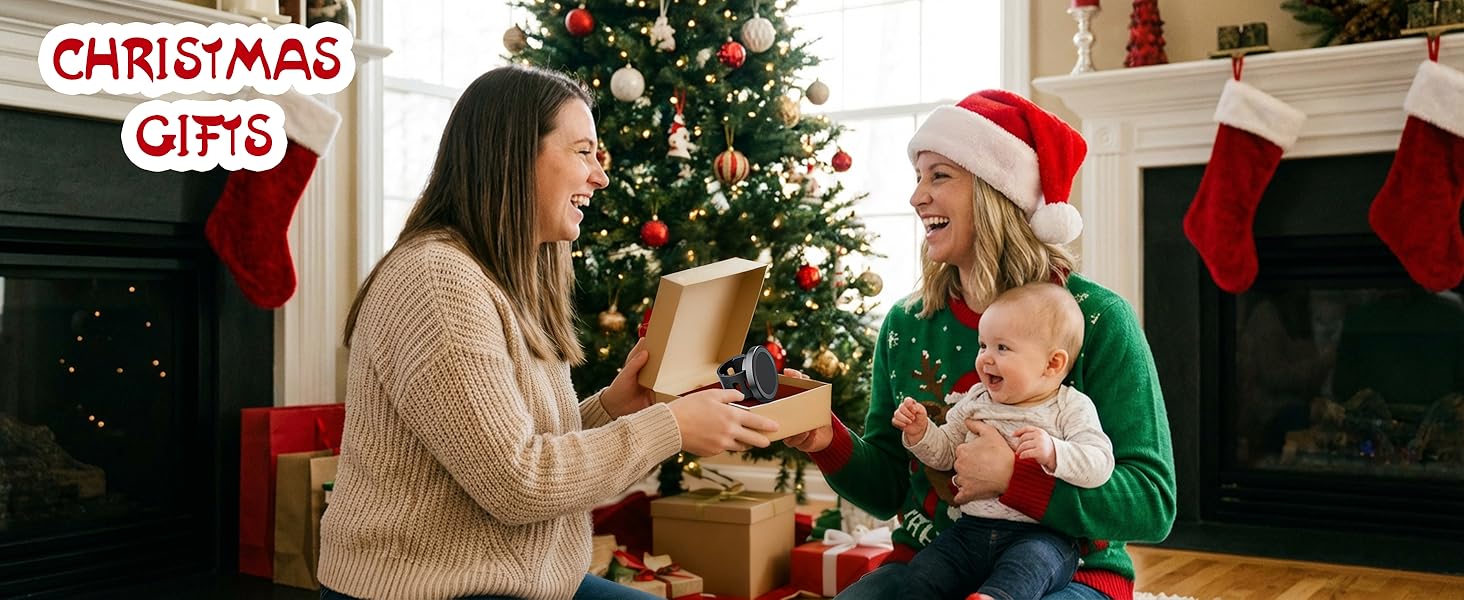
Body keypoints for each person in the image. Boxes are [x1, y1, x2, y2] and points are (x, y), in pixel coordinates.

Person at [317, 65, 780, 600]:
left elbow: (516, 445)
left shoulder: (510, 276)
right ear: (513, 157)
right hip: (424, 590)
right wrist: (668, 427)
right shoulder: (437, 281)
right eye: (583, 152)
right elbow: (517, 483)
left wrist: (614, 408)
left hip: (523, 582)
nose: (600, 177)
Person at [784, 89, 1176, 600]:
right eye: (918, 177)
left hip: (1068, 573)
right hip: (932, 565)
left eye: (939, 175)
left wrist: (1016, 478)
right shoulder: (907, 322)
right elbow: (888, 490)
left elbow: (1151, 503)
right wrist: (826, 439)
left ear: (996, 193)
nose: (916, 197)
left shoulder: (1096, 319)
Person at [892, 282, 1114, 600]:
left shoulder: (1070, 407)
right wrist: (921, 433)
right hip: (971, 530)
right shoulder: (976, 399)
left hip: (1042, 535)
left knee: (1026, 571)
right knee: (924, 572)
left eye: (1002, 348)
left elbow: (1100, 463)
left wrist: (1055, 452)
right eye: (983, 346)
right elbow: (946, 454)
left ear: (1052, 364)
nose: (985, 358)